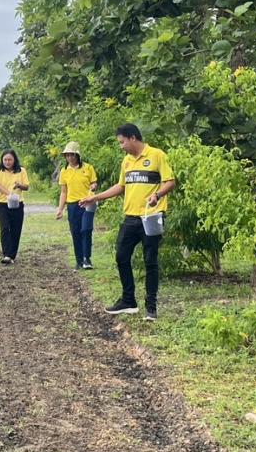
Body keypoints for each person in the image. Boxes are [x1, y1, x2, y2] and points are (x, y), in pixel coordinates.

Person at [79, 123, 175, 320]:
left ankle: (151, 306)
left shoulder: (157, 155)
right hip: (130, 217)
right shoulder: (127, 162)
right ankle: (128, 300)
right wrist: (95, 198)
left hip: (152, 217)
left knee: (150, 261)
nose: (121, 146)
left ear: (133, 138)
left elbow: (170, 181)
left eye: (122, 142)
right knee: (121, 256)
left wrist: (157, 195)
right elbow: (120, 186)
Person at [54, 141, 98, 270]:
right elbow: (63, 192)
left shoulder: (88, 168)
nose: (70, 158)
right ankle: (79, 260)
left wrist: (93, 186)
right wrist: (60, 209)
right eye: (67, 155)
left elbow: (94, 183)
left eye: (72, 155)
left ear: (77, 155)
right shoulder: (64, 171)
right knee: (76, 232)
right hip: (72, 205)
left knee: (86, 229)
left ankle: (87, 258)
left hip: (87, 203)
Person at [0, 149, 30, 264]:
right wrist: (9, 194)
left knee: (15, 229)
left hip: (17, 204)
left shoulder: (21, 170)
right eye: (5, 160)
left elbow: (27, 186)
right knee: (4, 228)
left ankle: (12, 255)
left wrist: (20, 185)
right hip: (2, 203)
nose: (7, 162)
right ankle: (6, 255)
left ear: (14, 160)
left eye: (10, 160)